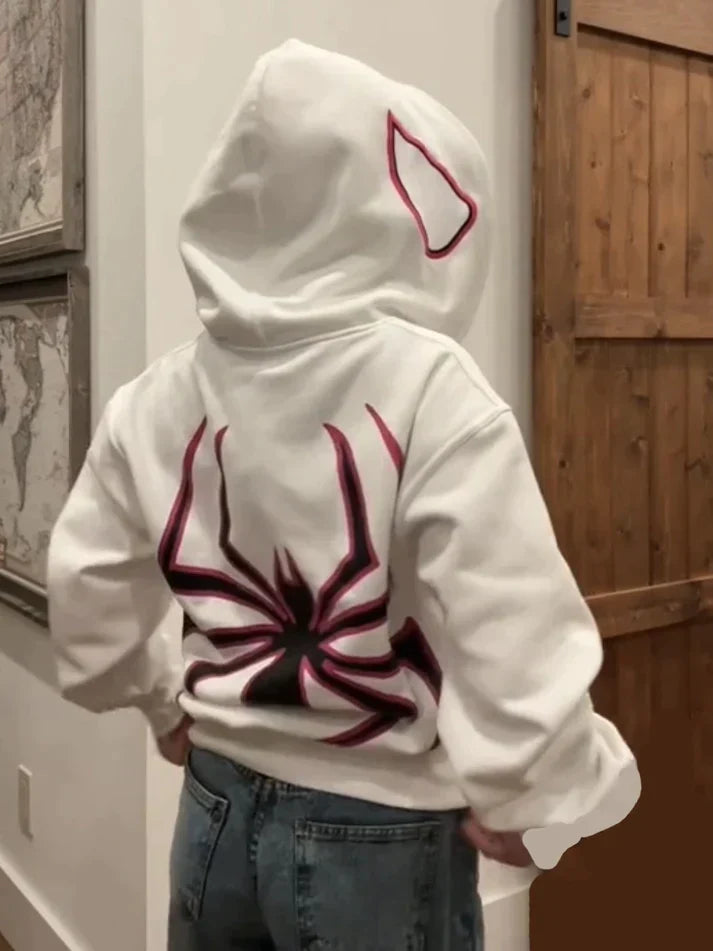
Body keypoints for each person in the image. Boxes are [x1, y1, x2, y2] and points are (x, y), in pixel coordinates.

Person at [47, 40, 639, 951]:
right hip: (381, 826)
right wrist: (545, 798)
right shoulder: (429, 388)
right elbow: (509, 625)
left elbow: (86, 593)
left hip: (213, 802)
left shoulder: (156, 398)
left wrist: (163, 702)